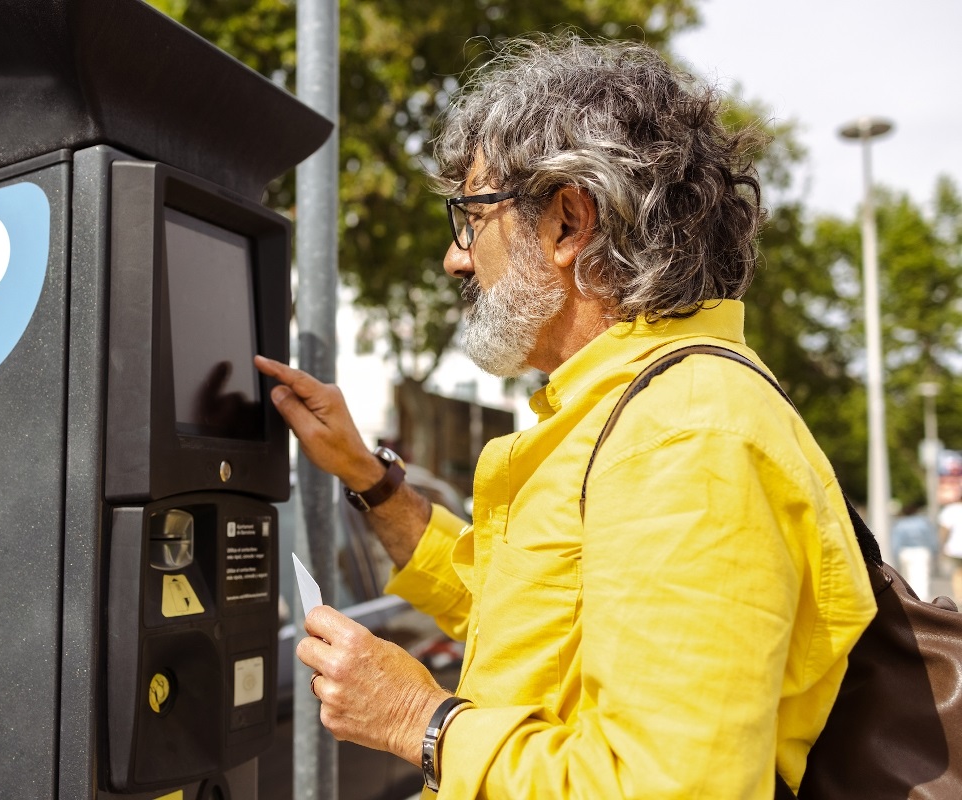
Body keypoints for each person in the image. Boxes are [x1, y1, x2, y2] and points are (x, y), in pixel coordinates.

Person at [255, 34, 875, 799]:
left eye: (471, 217)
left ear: (566, 223)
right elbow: (524, 612)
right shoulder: (642, 414)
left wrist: (420, 718)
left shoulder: (684, 438)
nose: (456, 259)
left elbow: (668, 788)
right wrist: (369, 477)